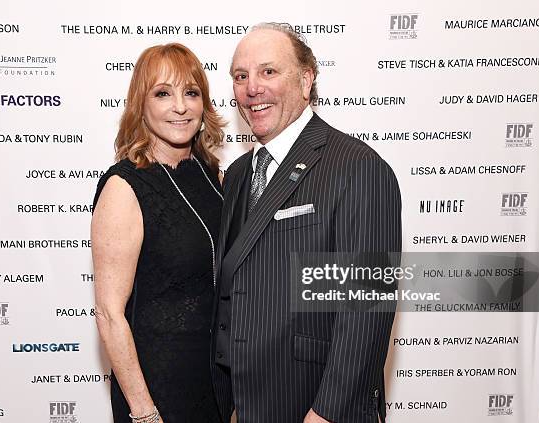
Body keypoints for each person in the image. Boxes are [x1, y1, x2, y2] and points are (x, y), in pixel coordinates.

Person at [211, 23, 402, 423]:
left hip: (313, 405)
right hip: (245, 405)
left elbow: (364, 309)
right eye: (240, 76)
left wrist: (326, 413)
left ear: (306, 79)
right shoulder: (240, 173)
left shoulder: (357, 167)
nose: (252, 88)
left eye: (268, 72)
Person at [91, 43, 224, 423]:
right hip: (157, 387)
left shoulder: (213, 176)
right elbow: (109, 313)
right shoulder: (125, 186)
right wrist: (144, 412)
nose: (180, 106)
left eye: (191, 92)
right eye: (163, 93)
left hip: (216, 381)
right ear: (141, 104)